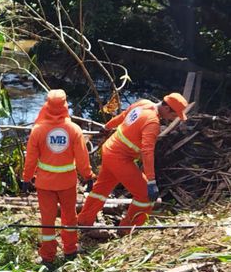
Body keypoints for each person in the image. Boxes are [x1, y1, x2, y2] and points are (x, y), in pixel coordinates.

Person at [77, 93, 189, 233]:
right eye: (175, 115)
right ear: (167, 109)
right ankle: (126, 231)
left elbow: (123, 116)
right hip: (120, 159)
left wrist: (107, 126)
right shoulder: (152, 123)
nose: (175, 118)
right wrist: (151, 180)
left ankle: (83, 222)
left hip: (110, 149)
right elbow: (147, 152)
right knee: (145, 196)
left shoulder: (144, 103)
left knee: (101, 190)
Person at [22, 89, 94, 265]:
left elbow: (31, 159)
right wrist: (88, 176)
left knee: (47, 219)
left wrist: (26, 178)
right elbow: (82, 157)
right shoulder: (74, 130)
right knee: (69, 217)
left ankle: (48, 255)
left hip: (45, 184)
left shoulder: (38, 130)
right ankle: (70, 250)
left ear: (46, 105)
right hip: (67, 183)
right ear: (64, 106)